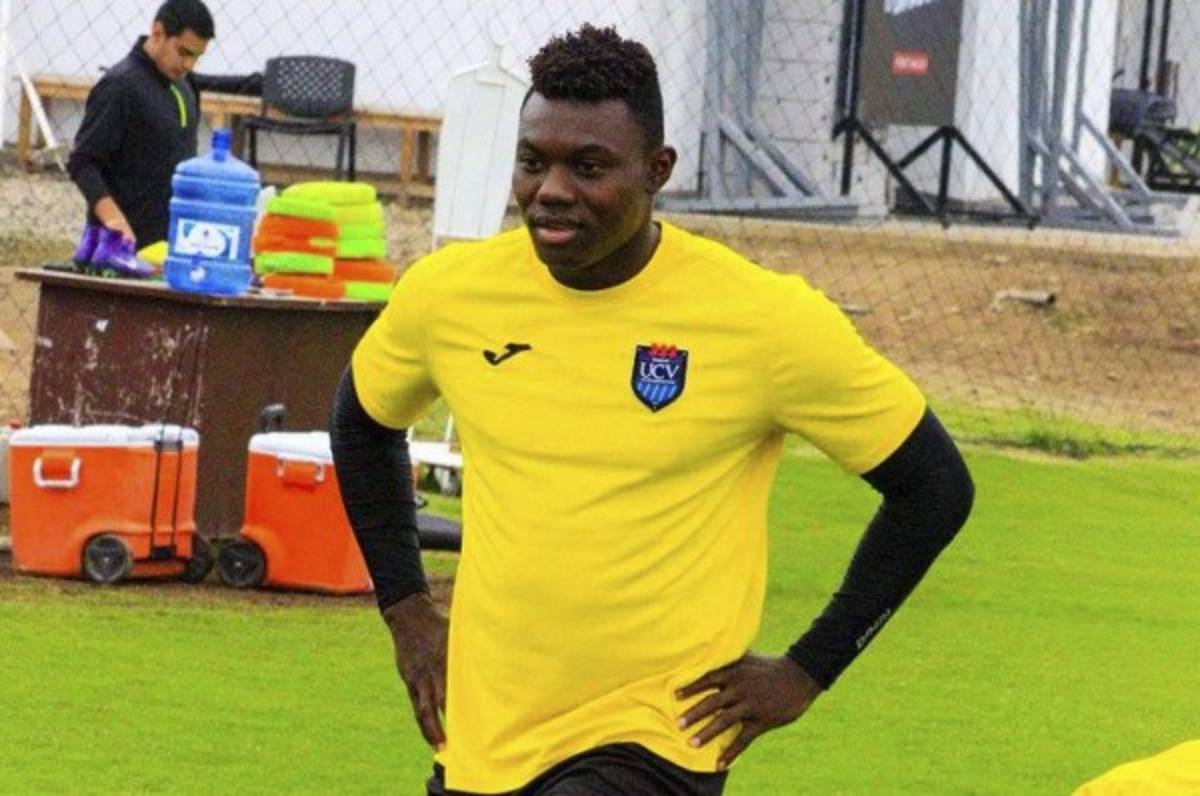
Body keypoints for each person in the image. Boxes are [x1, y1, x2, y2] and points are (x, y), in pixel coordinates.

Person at [330, 23, 974, 796]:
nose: (551, 189)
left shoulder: (763, 320)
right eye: (533, 162)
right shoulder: (450, 295)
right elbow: (362, 424)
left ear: (657, 170)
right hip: (486, 730)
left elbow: (934, 485)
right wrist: (407, 611)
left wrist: (809, 668)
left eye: (588, 166)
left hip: (655, 733)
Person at [67, 0, 214, 249]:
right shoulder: (121, 85)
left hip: (171, 247)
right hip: (121, 250)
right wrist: (114, 221)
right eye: (184, 52)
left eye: (197, 57)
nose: (189, 65)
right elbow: (82, 162)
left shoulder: (186, 85)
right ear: (158, 33)